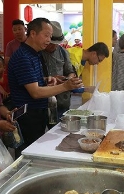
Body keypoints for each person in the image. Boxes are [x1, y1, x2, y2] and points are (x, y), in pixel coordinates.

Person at [7, 18, 83, 157]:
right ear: (33, 33)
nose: (49, 40)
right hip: (27, 117)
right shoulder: (23, 57)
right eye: (46, 35)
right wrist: (66, 86)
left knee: (37, 151)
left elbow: (29, 82)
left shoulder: (33, 54)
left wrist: (46, 80)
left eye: (51, 36)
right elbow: (35, 92)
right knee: (28, 155)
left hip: (37, 113)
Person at [41, 21, 77, 123]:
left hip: (61, 101)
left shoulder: (63, 52)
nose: (54, 47)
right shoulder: (37, 53)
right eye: (52, 44)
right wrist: (49, 79)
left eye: (57, 44)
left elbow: (70, 71)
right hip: (41, 100)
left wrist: (69, 79)